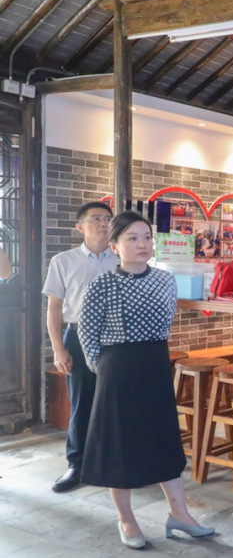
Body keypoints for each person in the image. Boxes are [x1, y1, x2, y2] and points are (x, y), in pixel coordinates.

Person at [78, 211, 213, 549]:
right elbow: (87, 332)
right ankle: (126, 519)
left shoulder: (165, 280)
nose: (142, 244)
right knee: (119, 443)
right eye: (132, 238)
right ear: (114, 246)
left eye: (147, 237)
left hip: (154, 363)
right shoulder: (102, 284)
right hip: (117, 368)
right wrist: (103, 369)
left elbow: (165, 323)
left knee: (163, 438)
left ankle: (180, 513)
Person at [41, 201, 119, 493]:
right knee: (81, 402)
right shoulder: (63, 261)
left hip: (116, 339)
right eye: (96, 218)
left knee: (115, 402)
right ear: (80, 227)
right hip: (77, 336)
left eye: (107, 218)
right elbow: (54, 308)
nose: (103, 223)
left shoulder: (121, 259)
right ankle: (77, 464)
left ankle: (113, 463)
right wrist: (58, 348)